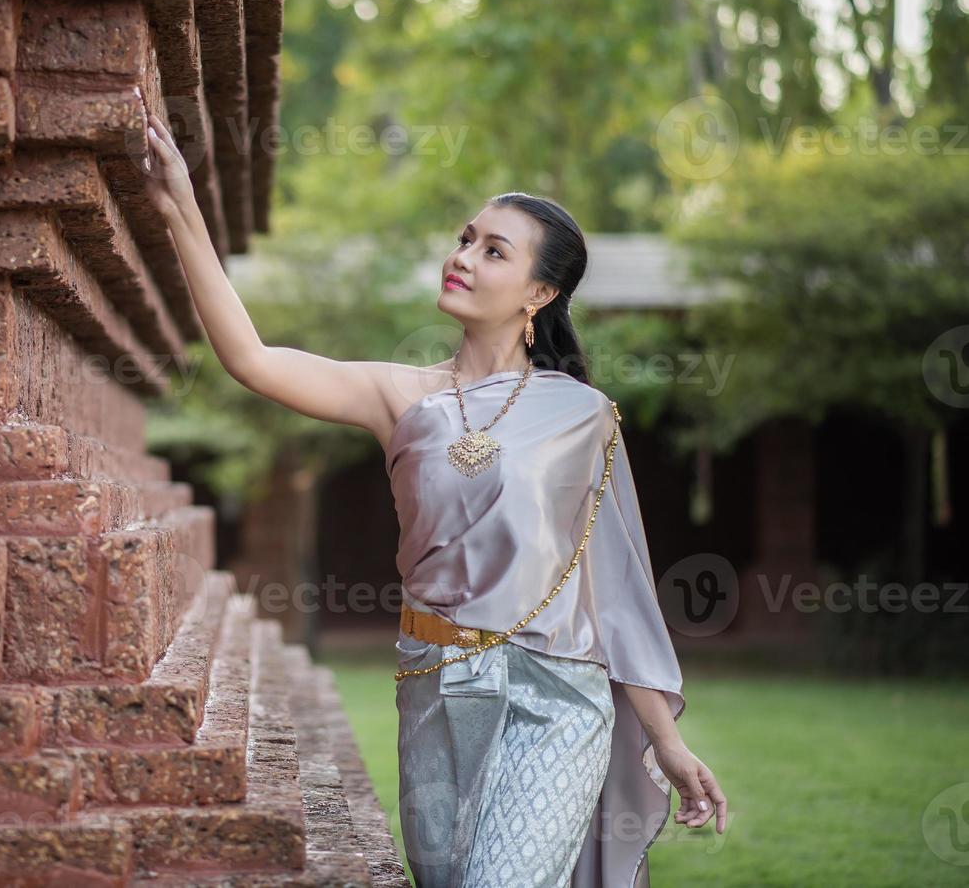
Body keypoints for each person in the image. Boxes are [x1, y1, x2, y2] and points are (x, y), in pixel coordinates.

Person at [140, 109, 727, 887]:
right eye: (463, 239)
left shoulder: (582, 417)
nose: (462, 258)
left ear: (540, 291)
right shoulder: (397, 396)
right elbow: (249, 358)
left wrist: (665, 741)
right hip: (433, 688)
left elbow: (615, 592)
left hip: (555, 698)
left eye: (492, 251)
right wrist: (179, 207)